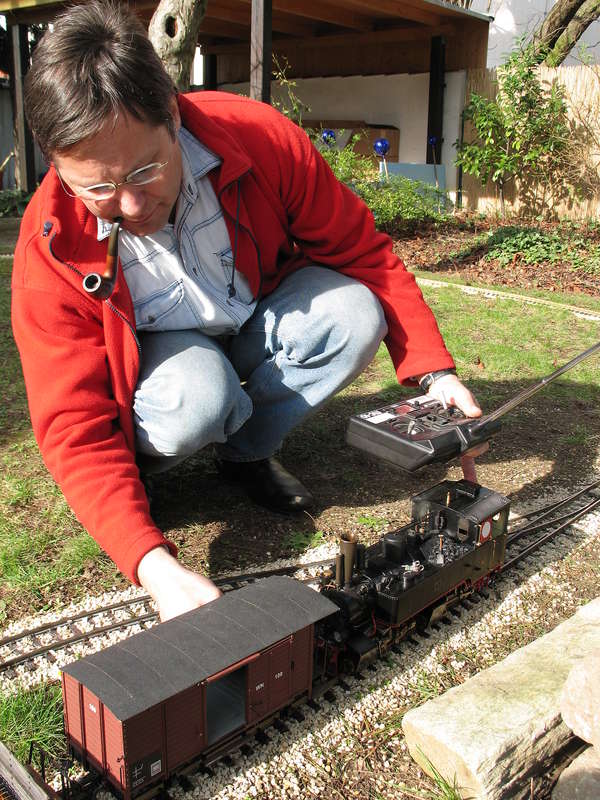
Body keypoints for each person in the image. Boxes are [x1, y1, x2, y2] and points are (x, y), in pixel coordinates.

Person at [12, 0, 483, 622]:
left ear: (173, 115)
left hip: (252, 312)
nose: (127, 204)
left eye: (144, 170)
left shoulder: (259, 138)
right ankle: (164, 456)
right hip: (162, 360)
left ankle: (244, 454)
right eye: (97, 187)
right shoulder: (49, 245)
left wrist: (436, 375)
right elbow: (72, 424)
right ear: (56, 162)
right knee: (196, 397)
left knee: (352, 313)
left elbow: (361, 251)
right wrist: (151, 561)